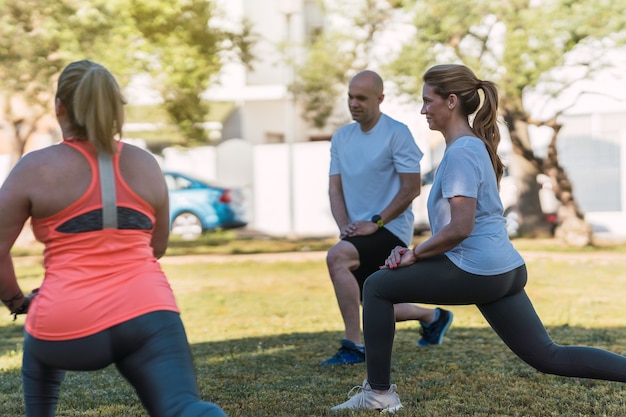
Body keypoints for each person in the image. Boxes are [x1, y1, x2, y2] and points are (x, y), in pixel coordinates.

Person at [331, 63, 626, 412]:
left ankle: (378, 393)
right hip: (505, 270)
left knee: (378, 286)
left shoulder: (461, 153)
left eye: (428, 101)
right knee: (548, 356)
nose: (423, 109)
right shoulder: (471, 146)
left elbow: (460, 227)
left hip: (479, 270)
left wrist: (415, 253)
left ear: (451, 101)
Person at [0, 60, 226, 417]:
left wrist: (16, 302)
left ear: (60, 106)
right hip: (149, 314)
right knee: (182, 407)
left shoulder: (36, 167)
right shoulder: (146, 164)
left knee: (40, 334)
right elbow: (158, 247)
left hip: (65, 321)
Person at [320, 70, 453, 367]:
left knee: (337, 258)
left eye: (361, 98)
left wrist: (376, 222)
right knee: (373, 304)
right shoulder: (342, 137)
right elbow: (334, 188)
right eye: (350, 97)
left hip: (389, 228)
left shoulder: (397, 133)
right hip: (357, 233)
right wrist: (345, 227)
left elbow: (411, 188)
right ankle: (433, 316)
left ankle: (353, 345)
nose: (354, 103)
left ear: (379, 99)